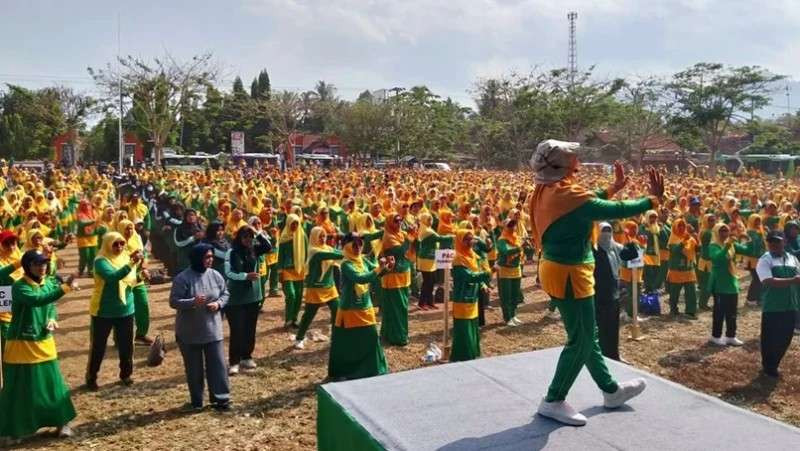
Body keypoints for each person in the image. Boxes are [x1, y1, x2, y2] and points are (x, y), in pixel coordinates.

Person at [529, 139, 660, 426]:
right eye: (573, 156)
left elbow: (584, 204)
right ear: (563, 165)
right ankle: (553, 399)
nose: (578, 158)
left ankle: (611, 391)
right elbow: (608, 210)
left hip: (561, 270)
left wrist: (612, 188)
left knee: (588, 336)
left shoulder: (549, 189)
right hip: (569, 275)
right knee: (582, 339)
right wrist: (651, 200)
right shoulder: (566, 194)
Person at [0, 250, 78, 439]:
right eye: (36, 263)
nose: (42, 267)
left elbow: (49, 305)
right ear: (28, 266)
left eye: (44, 263)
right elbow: (36, 300)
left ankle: (62, 422)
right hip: (21, 345)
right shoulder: (19, 287)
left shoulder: (48, 283)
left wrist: (52, 318)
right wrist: (64, 288)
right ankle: (14, 429)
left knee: (53, 384)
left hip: (44, 343)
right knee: (20, 387)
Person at [170, 243, 231, 410]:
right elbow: (174, 301)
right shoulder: (183, 278)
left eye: (211, 257)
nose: (210, 260)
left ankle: (221, 399)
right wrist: (192, 302)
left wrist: (218, 304)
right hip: (190, 332)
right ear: (197, 259)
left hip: (212, 330)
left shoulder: (216, 275)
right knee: (194, 369)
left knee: (217, 366)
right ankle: (197, 401)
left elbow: (225, 293)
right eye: (206, 257)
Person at [86, 232, 143, 390]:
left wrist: (139, 277)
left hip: (125, 309)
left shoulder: (125, 257)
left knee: (127, 345)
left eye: (121, 244)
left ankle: (126, 374)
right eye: (115, 244)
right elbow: (112, 278)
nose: (119, 247)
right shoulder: (100, 261)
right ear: (107, 245)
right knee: (99, 346)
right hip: (104, 311)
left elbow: (128, 281)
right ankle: (92, 377)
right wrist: (132, 263)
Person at [328, 233, 390, 380]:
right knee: (348, 344)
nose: (358, 248)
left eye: (360, 245)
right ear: (347, 247)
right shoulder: (346, 264)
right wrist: (379, 269)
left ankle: (372, 370)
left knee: (371, 338)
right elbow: (361, 278)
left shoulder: (363, 260)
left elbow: (376, 272)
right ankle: (347, 372)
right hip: (349, 310)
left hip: (365, 308)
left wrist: (387, 267)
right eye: (354, 245)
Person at [224, 226, 272, 375]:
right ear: (239, 238)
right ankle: (234, 361)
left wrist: (256, 231)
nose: (248, 240)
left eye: (250, 237)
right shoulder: (232, 252)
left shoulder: (254, 250)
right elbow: (229, 273)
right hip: (236, 298)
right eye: (245, 237)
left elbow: (268, 246)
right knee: (237, 330)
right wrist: (245, 276)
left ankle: (247, 356)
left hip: (252, 297)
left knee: (250, 329)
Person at [755, 230, 800, 378]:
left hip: (791, 305)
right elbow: (768, 281)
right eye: (771, 242)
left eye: (777, 241)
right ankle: (769, 366)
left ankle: (774, 363)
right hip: (772, 306)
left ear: (784, 242)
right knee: (770, 338)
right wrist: (793, 281)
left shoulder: (793, 259)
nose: (774, 244)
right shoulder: (765, 260)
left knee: (786, 337)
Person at [294, 227, 343, 349]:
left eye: (324, 236)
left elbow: (336, 254)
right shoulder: (313, 251)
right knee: (309, 315)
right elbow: (328, 255)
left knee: (337, 311)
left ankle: (335, 338)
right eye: (319, 236)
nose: (322, 239)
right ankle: (299, 338)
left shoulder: (328, 248)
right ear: (314, 237)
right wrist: (347, 253)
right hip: (315, 288)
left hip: (330, 287)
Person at [450, 229, 490, 362]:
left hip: (473, 297)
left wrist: (483, 285)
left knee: (473, 325)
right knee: (464, 328)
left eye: (471, 239)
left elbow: (476, 271)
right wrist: (487, 274)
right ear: (460, 241)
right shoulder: (457, 259)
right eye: (466, 239)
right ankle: (463, 355)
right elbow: (469, 276)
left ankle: (473, 351)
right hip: (462, 298)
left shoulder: (472, 255)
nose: (470, 242)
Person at [707, 223, 747, 346]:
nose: (725, 233)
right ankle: (716, 336)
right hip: (719, 283)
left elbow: (748, 250)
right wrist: (727, 246)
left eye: (726, 231)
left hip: (731, 281)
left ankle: (731, 335)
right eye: (722, 231)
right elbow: (718, 258)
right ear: (716, 232)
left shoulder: (731, 244)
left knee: (732, 311)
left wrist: (749, 239)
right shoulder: (713, 246)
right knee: (719, 312)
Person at [118, 219, 153, 345]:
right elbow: (116, 260)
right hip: (123, 280)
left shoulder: (136, 238)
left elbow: (144, 255)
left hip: (138, 278)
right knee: (124, 311)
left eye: (131, 228)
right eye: (127, 228)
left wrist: (144, 265)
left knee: (143, 306)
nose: (129, 231)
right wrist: (131, 257)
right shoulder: (116, 242)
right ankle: (120, 339)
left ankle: (141, 334)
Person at [593, 222, 623, 361]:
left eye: (608, 231)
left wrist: (638, 246)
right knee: (599, 327)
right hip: (597, 294)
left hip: (613, 293)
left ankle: (613, 355)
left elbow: (633, 256)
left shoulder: (615, 247)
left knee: (613, 326)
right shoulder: (592, 249)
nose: (606, 234)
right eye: (603, 231)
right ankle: (599, 356)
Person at [278, 214, 307, 329]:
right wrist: (280, 271)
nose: (294, 225)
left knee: (299, 296)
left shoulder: (302, 235)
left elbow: (306, 252)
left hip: (299, 269)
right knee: (291, 295)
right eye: (292, 223)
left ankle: (294, 319)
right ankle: (288, 319)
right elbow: (280, 256)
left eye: (296, 223)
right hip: (287, 270)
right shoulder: (284, 237)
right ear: (288, 223)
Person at [665, 218, 698, 318]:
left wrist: (696, 239)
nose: (681, 228)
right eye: (679, 226)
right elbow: (675, 251)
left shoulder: (690, 239)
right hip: (676, 269)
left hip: (688, 268)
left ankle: (690, 311)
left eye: (683, 226)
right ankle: (673, 309)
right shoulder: (673, 239)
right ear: (674, 227)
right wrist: (683, 242)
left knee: (691, 291)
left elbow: (696, 249)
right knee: (674, 292)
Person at [497, 216, 523, 326]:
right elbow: (505, 251)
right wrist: (519, 248)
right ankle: (507, 317)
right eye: (509, 226)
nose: (512, 228)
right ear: (505, 227)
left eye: (513, 225)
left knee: (514, 294)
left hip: (516, 269)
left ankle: (513, 315)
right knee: (506, 295)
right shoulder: (502, 240)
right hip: (505, 270)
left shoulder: (516, 238)